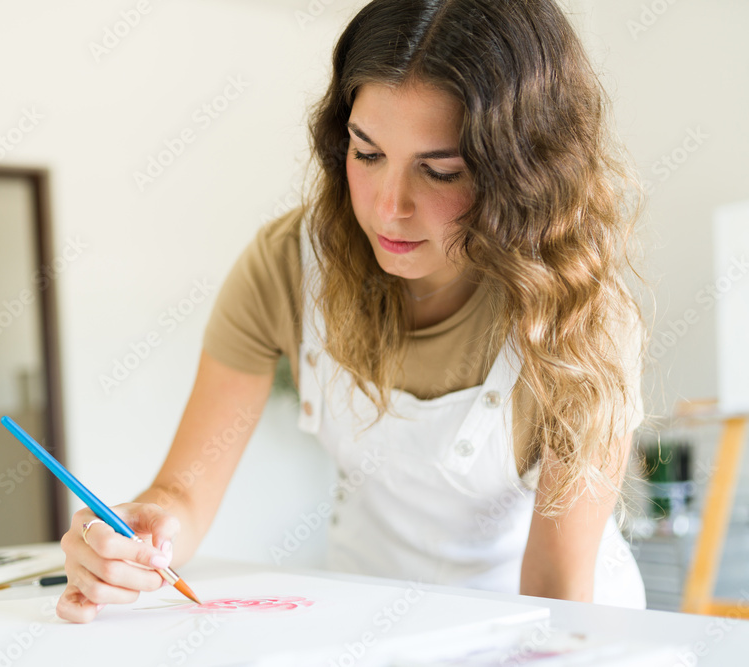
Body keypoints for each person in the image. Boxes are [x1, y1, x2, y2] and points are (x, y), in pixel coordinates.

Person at [57, 0, 649, 623]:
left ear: (521, 173)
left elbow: (556, 589)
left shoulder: (579, 312)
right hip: (371, 611)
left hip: (544, 622)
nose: (390, 207)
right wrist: (143, 536)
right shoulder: (287, 267)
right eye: (367, 154)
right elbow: (182, 493)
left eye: (441, 171)